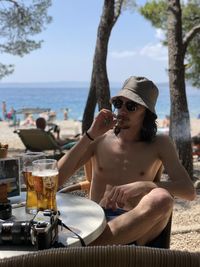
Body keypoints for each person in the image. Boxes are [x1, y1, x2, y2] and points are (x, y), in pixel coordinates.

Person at [58, 76, 196, 246]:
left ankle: (87, 248)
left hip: (136, 225)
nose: (122, 111)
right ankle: (96, 246)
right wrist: (89, 135)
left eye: (131, 106)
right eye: (118, 104)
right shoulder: (99, 139)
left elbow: (189, 191)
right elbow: (55, 180)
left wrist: (145, 185)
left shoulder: (159, 143)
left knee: (161, 198)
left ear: (146, 113)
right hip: (96, 221)